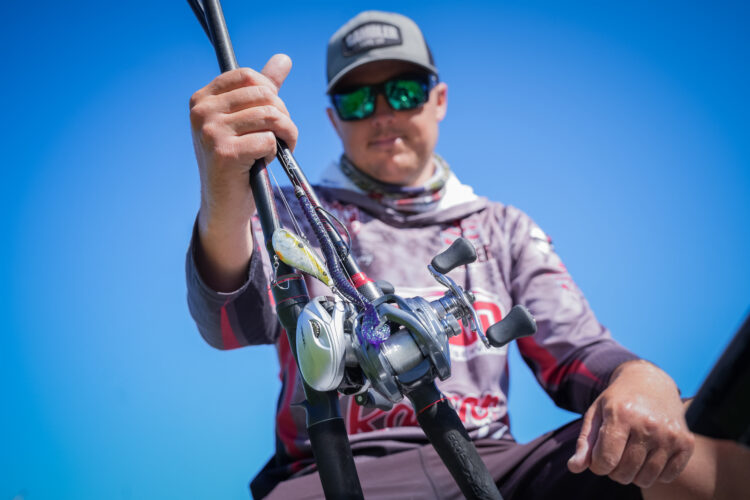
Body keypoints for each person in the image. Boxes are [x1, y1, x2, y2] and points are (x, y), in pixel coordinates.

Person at [186, 10, 748, 500]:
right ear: (333, 118)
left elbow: (576, 352)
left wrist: (637, 376)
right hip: (327, 472)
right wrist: (224, 189)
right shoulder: (282, 213)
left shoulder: (504, 228)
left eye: (404, 92)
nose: (382, 113)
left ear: (439, 100)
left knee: (691, 450)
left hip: (492, 462)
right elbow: (230, 322)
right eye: (357, 100)